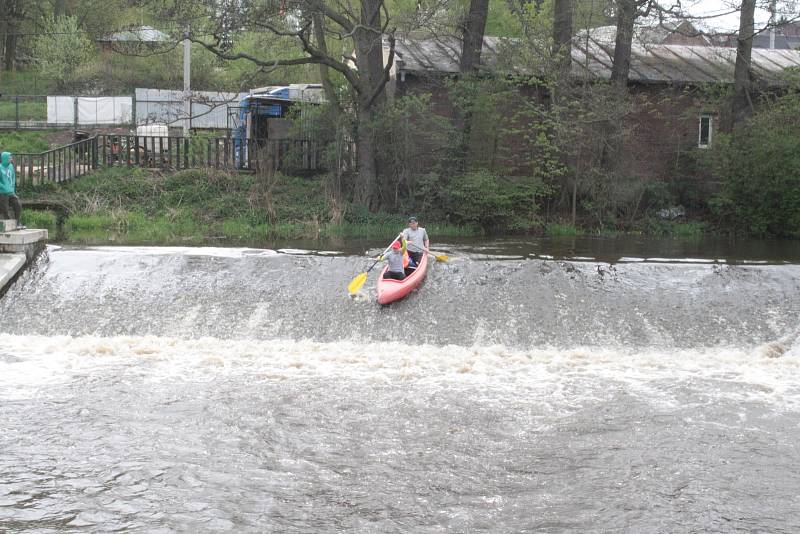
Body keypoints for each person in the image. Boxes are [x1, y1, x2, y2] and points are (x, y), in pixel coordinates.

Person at [0, 152, 23, 228]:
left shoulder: (10, 166)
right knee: (4, 209)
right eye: (10, 158)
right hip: (2, 192)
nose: (11, 159)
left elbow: (13, 177)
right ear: (5, 158)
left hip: (10, 191)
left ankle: (18, 222)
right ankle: (9, 224)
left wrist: (12, 187)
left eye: (11, 158)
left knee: (18, 204)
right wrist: (4, 187)